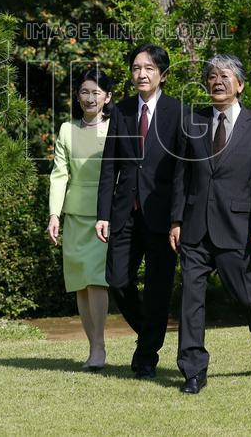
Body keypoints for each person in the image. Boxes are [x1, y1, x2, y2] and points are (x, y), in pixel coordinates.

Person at [170, 53, 251, 394]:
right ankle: (193, 370)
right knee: (191, 300)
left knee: (249, 297)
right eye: (212, 76)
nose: (217, 81)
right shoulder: (192, 122)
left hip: (237, 228)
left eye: (225, 76)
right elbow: (181, 176)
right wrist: (176, 219)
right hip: (195, 229)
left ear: (240, 85)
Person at [95, 43, 185, 380]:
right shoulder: (120, 110)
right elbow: (110, 165)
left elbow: (183, 172)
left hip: (163, 217)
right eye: (136, 68)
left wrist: (178, 218)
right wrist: (103, 213)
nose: (141, 74)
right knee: (117, 280)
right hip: (125, 213)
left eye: (148, 68)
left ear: (163, 74)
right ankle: (150, 331)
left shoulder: (179, 112)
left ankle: (146, 356)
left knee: (158, 289)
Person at [46, 68, 114, 370]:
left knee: (96, 280)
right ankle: (93, 346)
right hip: (74, 215)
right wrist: (54, 213)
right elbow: (59, 174)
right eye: (85, 92)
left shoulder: (115, 128)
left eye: (96, 92)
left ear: (107, 97)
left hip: (103, 216)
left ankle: (99, 347)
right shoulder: (66, 130)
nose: (90, 98)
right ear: (77, 96)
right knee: (80, 284)